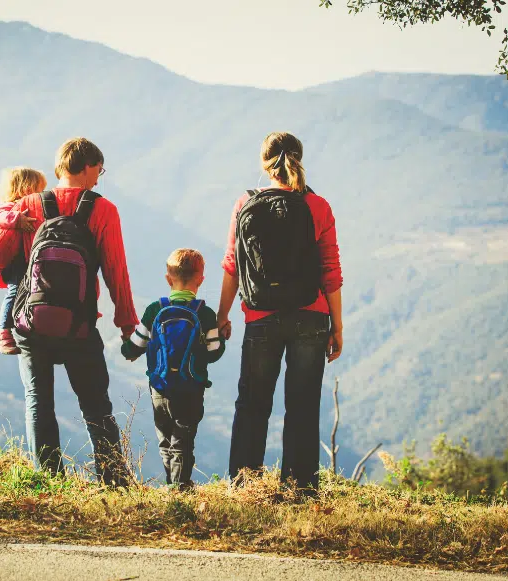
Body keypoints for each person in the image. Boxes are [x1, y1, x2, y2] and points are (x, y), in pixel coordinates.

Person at [0, 137, 139, 486]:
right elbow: (117, 271)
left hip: (30, 324)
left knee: (38, 400)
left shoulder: (27, 206)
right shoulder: (103, 210)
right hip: (80, 326)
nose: (99, 179)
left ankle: (50, 481)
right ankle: (114, 481)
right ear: (86, 168)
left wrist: (17, 273)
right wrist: (127, 323)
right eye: (98, 170)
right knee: (96, 404)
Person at [217, 131, 343, 495]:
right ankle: (300, 488)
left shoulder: (245, 203)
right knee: (302, 405)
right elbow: (330, 270)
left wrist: (223, 315)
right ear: (300, 159)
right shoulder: (317, 206)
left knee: (253, 403)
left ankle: (244, 485)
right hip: (311, 316)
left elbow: (232, 265)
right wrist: (337, 326)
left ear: (264, 163)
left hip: (260, 318)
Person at [121, 249, 225, 489]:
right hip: (191, 388)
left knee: (165, 440)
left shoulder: (154, 311)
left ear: (168, 279)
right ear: (200, 279)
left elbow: (134, 348)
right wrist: (222, 337)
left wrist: (127, 347)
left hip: (160, 388)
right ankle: (180, 488)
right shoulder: (205, 314)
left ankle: (172, 483)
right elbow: (214, 353)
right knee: (183, 440)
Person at [0, 167, 45, 355]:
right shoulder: (7, 207)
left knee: (26, 292)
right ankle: (2, 332)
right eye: (38, 189)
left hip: (28, 259)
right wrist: (16, 219)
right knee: (14, 291)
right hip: (14, 260)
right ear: (24, 188)